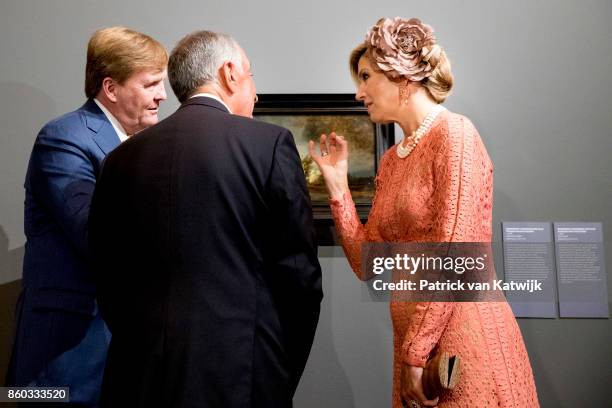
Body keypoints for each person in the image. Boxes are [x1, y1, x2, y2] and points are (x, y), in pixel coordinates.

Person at [309, 17, 539, 407]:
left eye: (365, 77)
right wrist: (337, 189)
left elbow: (455, 255)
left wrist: (414, 355)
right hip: (419, 349)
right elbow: (371, 265)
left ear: (401, 75)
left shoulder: (456, 135)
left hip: (463, 343)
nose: (358, 93)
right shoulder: (393, 162)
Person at [88, 30, 323, 408]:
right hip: (240, 375)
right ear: (230, 73)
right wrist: (276, 366)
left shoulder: (121, 158)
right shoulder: (270, 145)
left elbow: (107, 273)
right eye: (251, 75)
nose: (256, 92)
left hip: (138, 376)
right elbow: (299, 279)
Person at [6, 26, 167, 406]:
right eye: (151, 84)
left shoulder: (143, 146)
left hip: (118, 350)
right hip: (66, 351)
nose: (162, 95)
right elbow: (96, 233)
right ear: (111, 89)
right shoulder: (63, 138)